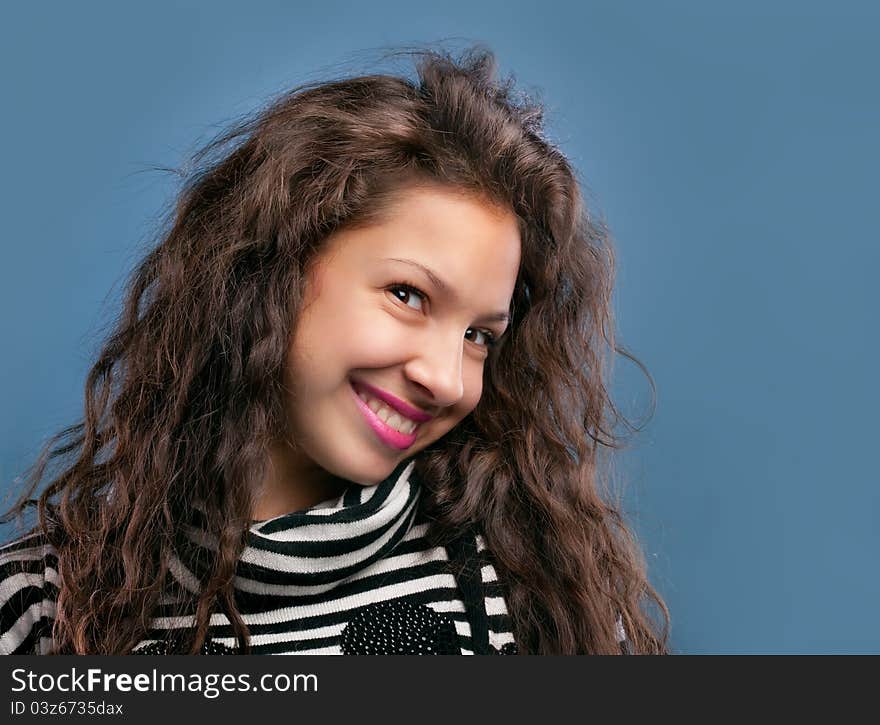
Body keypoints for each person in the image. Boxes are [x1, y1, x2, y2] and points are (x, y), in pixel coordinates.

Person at [0, 47, 669, 655]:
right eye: (408, 294)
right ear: (272, 270)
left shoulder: (538, 596)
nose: (444, 378)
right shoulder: (39, 606)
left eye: (479, 337)